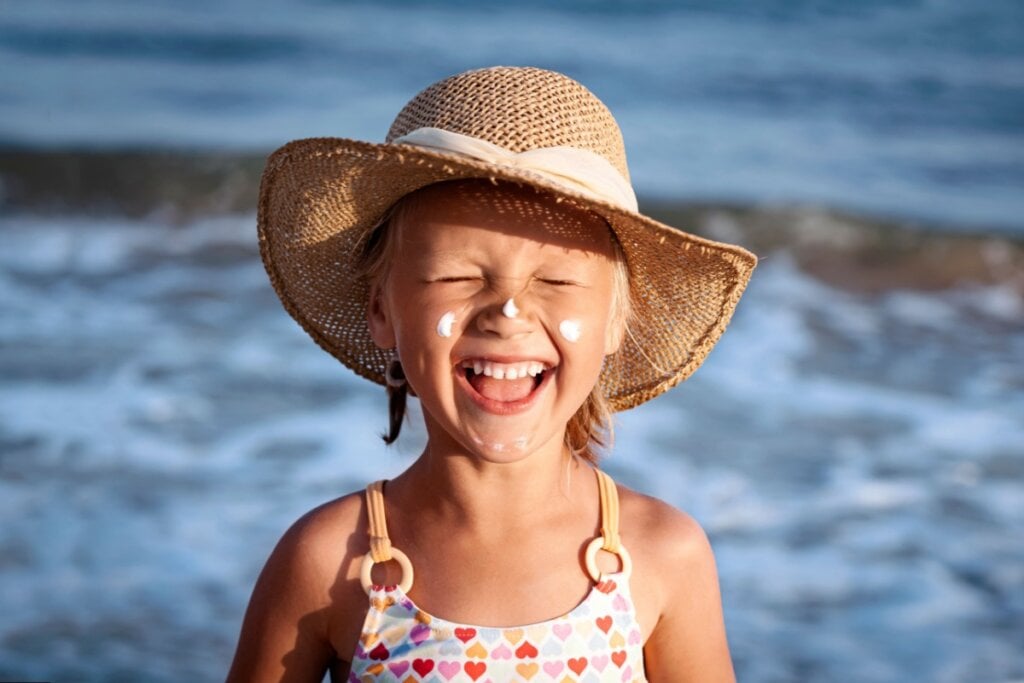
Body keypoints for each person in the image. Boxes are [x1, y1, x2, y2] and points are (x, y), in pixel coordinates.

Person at [227, 66, 756, 682]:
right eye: (457, 276)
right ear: (381, 310)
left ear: (615, 320)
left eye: (556, 282)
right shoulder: (330, 562)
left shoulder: (661, 555)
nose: (508, 315)